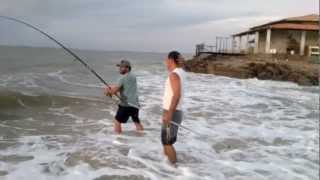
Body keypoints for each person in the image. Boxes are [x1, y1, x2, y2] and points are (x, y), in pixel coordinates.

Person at [104, 59, 143, 134]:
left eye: (121, 67)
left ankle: (118, 138)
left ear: (127, 68)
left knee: (117, 121)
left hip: (126, 104)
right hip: (135, 104)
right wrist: (112, 88)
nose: (119, 69)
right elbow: (125, 87)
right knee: (136, 122)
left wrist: (108, 91)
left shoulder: (122, 78)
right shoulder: (133, 76)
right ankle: (142, 136)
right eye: (119, 67)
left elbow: (114, 91)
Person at [161, 51, 185, 164]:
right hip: (175, 111)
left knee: (167, 142)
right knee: (165, 140)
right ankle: (167, 167)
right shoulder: (181, 72)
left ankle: (175, 169)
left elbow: (176, 95)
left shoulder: (174, 74)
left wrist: (169, 113)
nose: (165, 62)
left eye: (166, 60)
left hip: (173, 111)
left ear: (171, 60)